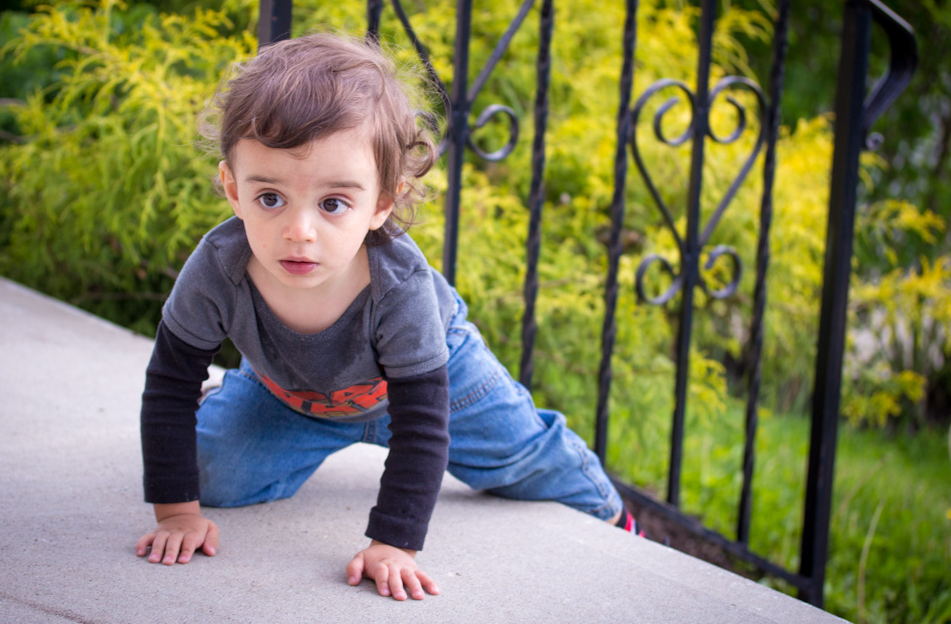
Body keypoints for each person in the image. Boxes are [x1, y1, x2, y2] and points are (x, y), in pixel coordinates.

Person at [135, 32, 641, 601]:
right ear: (233, 188)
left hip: (441, 384)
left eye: (333, 204)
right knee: (208, 471)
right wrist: (177, 514)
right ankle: (233, 403)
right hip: (291, 392)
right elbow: (170, 384)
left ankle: (618, 517)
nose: (299, 231)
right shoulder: (218, 268)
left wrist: (394, 543)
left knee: (531, 461)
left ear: (382, 202)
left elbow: (422, 426)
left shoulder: (400, 285)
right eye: (270, 197)